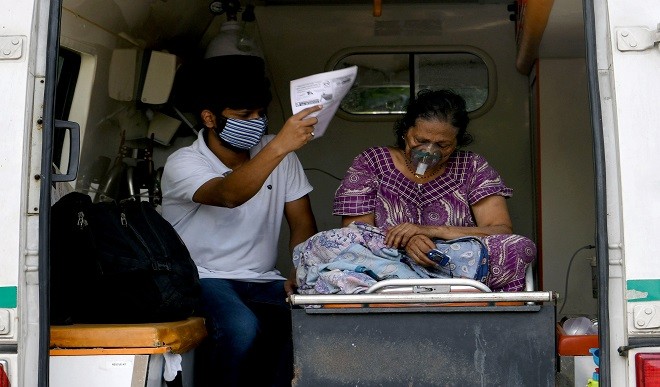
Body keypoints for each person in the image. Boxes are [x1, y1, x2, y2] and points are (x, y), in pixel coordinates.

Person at [161, 54, 319, 386]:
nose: (257, 122)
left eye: (261, 114)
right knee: (241, 329)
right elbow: (229, 195)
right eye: (244, 115)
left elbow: (302, 223)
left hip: (265, 280)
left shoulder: (280, 156)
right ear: (209, 117)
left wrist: (302, 268)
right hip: (202, 279)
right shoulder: (184, 162)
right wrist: (278, 147)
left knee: (311, 324)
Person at [332, 89, 535, 292]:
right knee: (329, 244)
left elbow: (500, 230)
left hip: (455, 264)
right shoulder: (372, 162)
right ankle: (409, 279)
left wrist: (430, 232)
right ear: (405, 131)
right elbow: (355, 231)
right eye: (420, 141)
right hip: (388, 262)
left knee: (517, 247)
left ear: (457, 142)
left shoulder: (472, 167)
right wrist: (408, 242)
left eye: (442, 145)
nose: (429, 151)